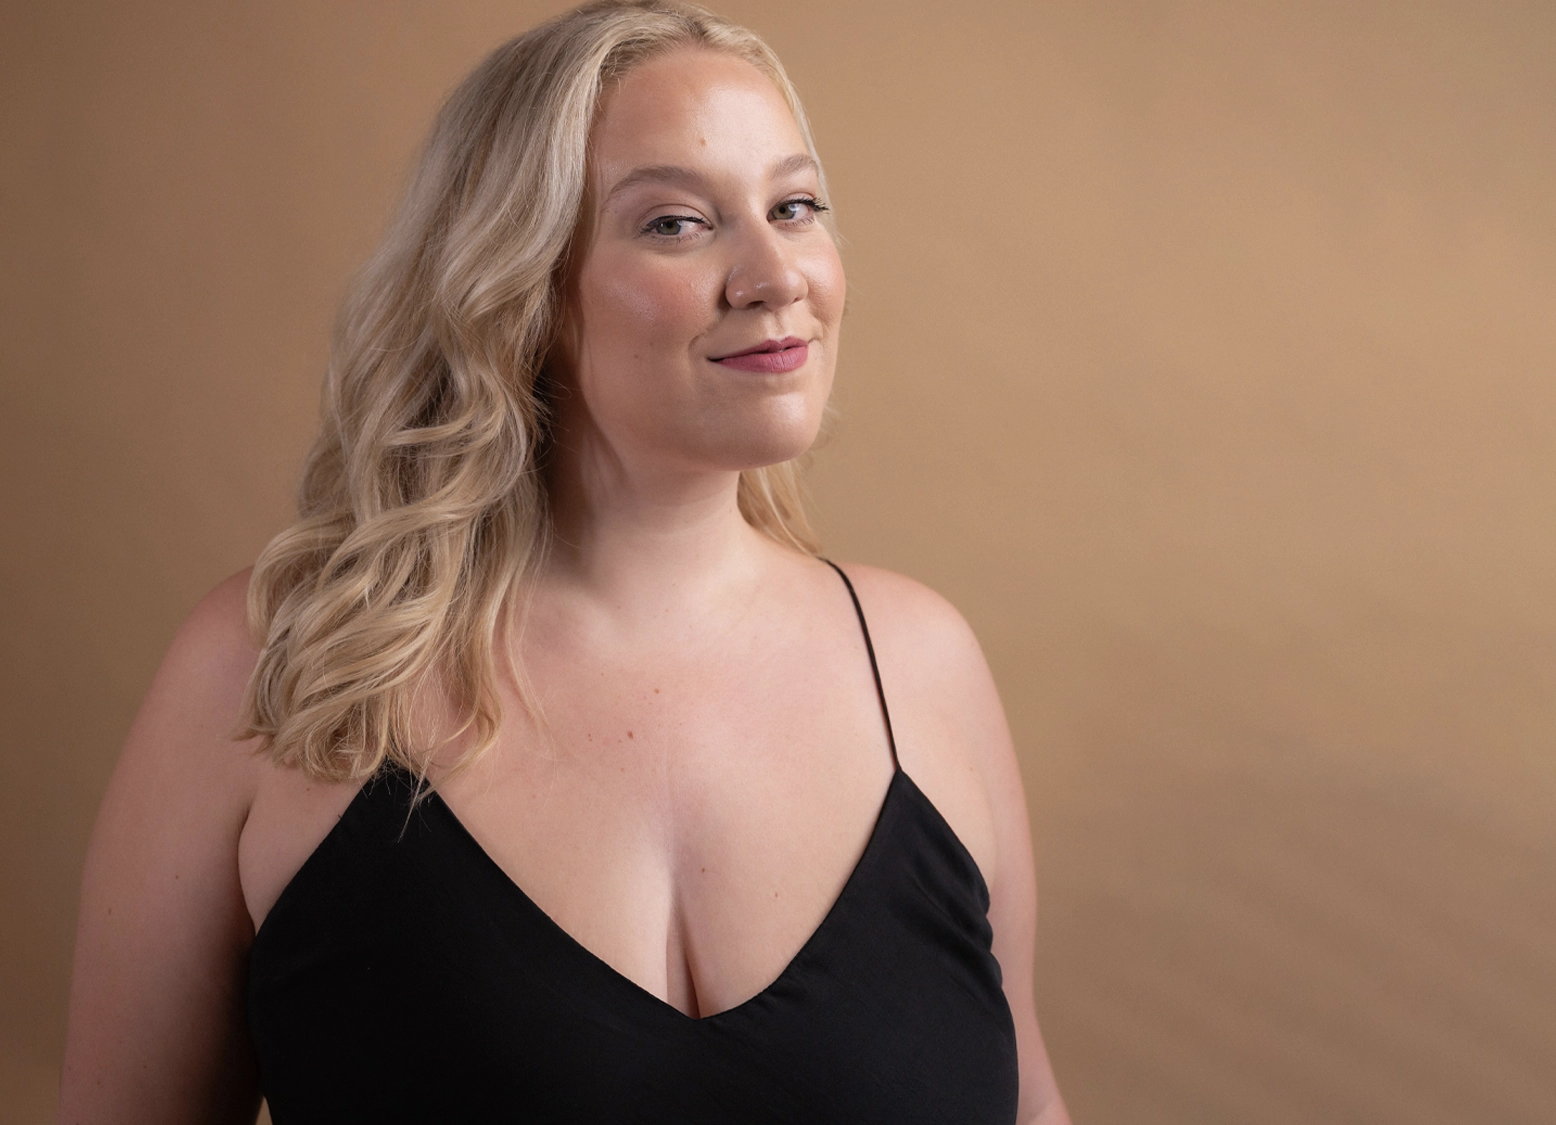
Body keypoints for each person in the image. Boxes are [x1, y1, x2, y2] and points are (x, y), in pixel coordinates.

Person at [58, 2, 1069, 1121]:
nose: (774, 273)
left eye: (794, 206)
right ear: (521, 290)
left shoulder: (921, 667)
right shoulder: (270, 672)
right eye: (677, 224)